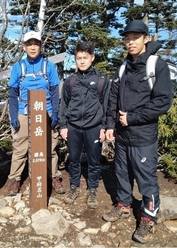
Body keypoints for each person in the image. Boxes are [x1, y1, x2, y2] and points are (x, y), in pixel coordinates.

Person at [102, 20, 173, 243]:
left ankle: (149, 218)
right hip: (122, 135)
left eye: (135, 37)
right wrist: (111, 125)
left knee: (146, 179)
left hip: (143, 135)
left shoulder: (156, 65)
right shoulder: (123, 67)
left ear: (146, 38)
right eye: (127, 38)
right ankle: (123, 205)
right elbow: (112, 98)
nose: (130, 42)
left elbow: (163, 102)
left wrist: (132, 117)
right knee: (121, 173)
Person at [7, 31, 65, 196]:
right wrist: (13, 115)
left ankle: (54, 176)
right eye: (29, 44)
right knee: (20, 147)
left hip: (45, 109)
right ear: (24, 47)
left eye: (36, 44)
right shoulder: (19, 67)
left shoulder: (49, 66)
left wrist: (54, 113)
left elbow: (55, 91)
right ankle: (15, 179)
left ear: (40, 46)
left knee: (49, 146)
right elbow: (12, 93)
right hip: (24, 110)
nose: (33, 47)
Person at [59, 41, 111, 209]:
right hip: (73, 127)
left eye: (85, 58)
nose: (81, 61)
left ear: (92, 58)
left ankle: (93, 189)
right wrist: (63, 126)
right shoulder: (70, 81)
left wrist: (104, 127)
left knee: (94, 161)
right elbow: (63, 105)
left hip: (94, 127)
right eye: (78, 58)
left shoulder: (102, 80)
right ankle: (74, 187)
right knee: (73, 159)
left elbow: (107, 106)